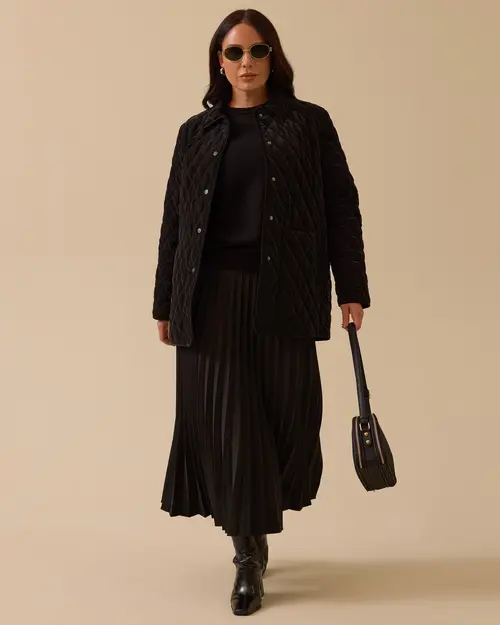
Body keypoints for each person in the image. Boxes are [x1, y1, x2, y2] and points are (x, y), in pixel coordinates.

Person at [152, 8, 370, 616]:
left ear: (274, 57)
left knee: (286, 414)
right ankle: (247, 552)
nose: (245, 62)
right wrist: (165, 300)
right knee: (229, 420)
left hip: (285, 290)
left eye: (257, 50)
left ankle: (257, 526)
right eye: (233, 52)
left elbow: (341, 206)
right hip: (211, 295)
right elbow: (175, 219)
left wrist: (351, 288)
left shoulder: (308, 123)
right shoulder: (195, 132)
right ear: (218, 63)